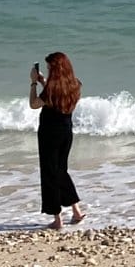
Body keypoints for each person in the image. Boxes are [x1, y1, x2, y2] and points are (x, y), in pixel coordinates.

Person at [28, 51, 86, 230]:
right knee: (61, 171)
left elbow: (34, 104)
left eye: (49, 68)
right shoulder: (75, 85)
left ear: (56, 68)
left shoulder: (52, 89)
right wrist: (44, 82)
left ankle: (57, 219)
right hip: (66, 132)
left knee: (50, 174)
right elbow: (58, 99)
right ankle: (76, 211)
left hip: (49, 133)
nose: (48, 70)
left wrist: (32, 83)